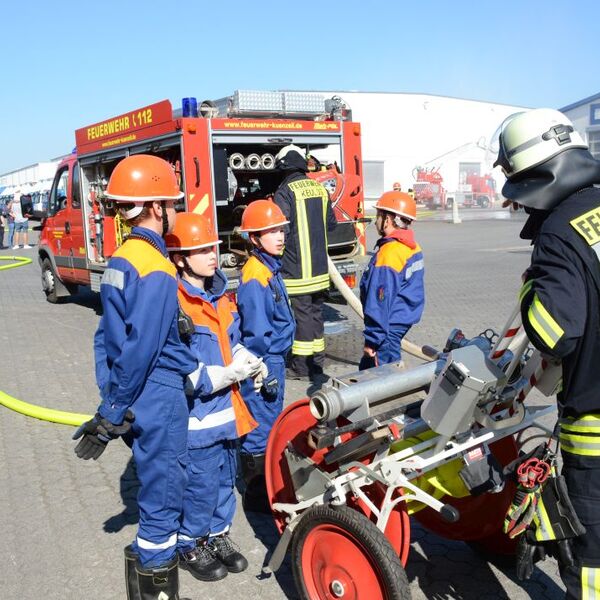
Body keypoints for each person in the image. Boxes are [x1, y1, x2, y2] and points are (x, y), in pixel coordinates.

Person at [72, 154, 197, 600]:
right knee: (164, 493)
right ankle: (157, 584)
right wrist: (112, 411)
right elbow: (143, 347)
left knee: (153, 483)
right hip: (158, 393)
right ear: (155, 206)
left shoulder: (121, 259)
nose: (176, 212)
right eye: (172, 203)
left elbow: (106, 338)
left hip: (135, 394)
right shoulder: (157, 267)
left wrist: (112, 401)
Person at [494, 108, 600, 599]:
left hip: (595, 432)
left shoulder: (560, 231)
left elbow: (556, 333)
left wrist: (528, 292)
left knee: (593, 561)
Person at [165, 212, 260, 581]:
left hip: (228, 413)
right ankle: (190, 543)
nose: (212, 256)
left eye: (213, 248)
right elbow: (186, 372)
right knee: (201, 484)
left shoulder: (219, 294)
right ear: (180, 258)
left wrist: (248, 360)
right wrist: (226, 375)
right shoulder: (175, 302)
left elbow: (232, 341)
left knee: (223, 481)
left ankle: (218, 535)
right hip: (200, 417)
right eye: (201, 250)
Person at [236, 200, 296, 513]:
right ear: (254, 238)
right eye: (271, 231)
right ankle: (257, 494)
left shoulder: (268, 268)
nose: (280, 236)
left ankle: (262, 485)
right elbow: (257, 332)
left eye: (280, 229)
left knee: (270, 422)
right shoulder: (256, 276)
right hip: (265, 361)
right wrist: (261, 370)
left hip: (274, 359)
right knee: (261, 425)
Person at [273, 144, 336, 382]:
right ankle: (316, 364)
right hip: (320, 270)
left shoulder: (285, 192)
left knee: (301, 319)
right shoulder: (319, 189)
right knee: (316, 315)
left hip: (296, 270)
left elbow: (281, 230)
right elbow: (330, 224)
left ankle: (300, 368)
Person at [359, 191, 424, 370]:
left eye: (379, 215)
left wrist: (373, 340)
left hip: (386, 327)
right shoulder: (412, 247)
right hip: (400, 320)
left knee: (382, 377)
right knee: (367, 370)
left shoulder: (390, 253)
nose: (376, 220)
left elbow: (379, 302)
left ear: (389, 219)